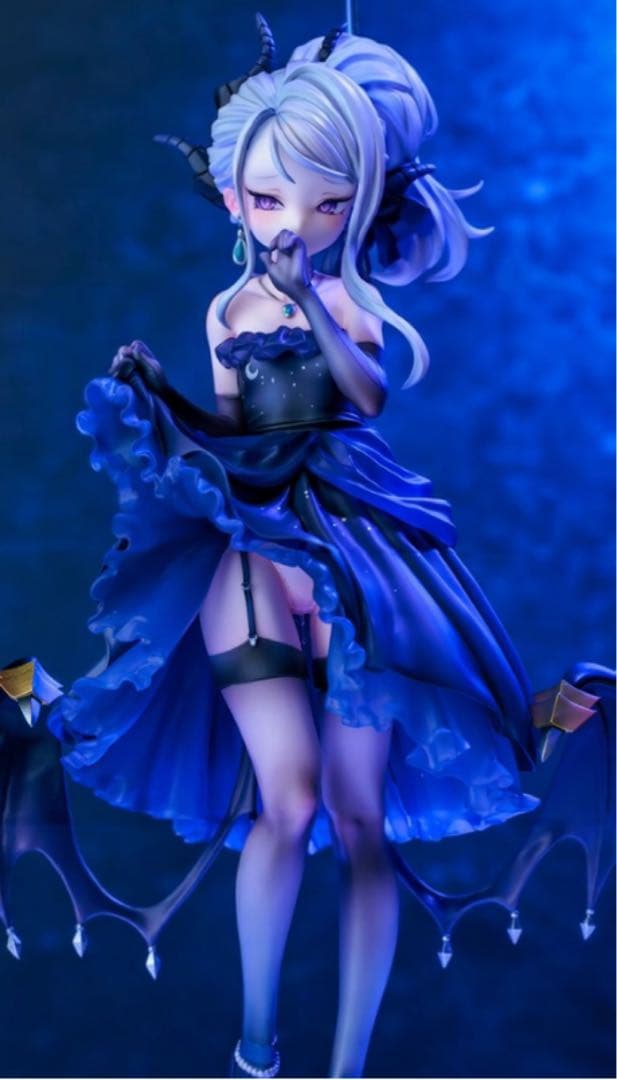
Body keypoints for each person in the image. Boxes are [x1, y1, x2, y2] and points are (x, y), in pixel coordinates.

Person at [45, 18, 607, 1080]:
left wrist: (313, 300)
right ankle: (255, 1048)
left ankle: (347, 1067)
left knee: (358, 821)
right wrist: (155, 395)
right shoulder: (226, 308)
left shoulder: (345, 300)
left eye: (325, 202)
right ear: (232, 199)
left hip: (359, 547)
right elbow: (233, 432)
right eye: (268, 199)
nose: (293, 222)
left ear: (357, 201)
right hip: (258, 549)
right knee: (285, 801)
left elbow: (368, 396)